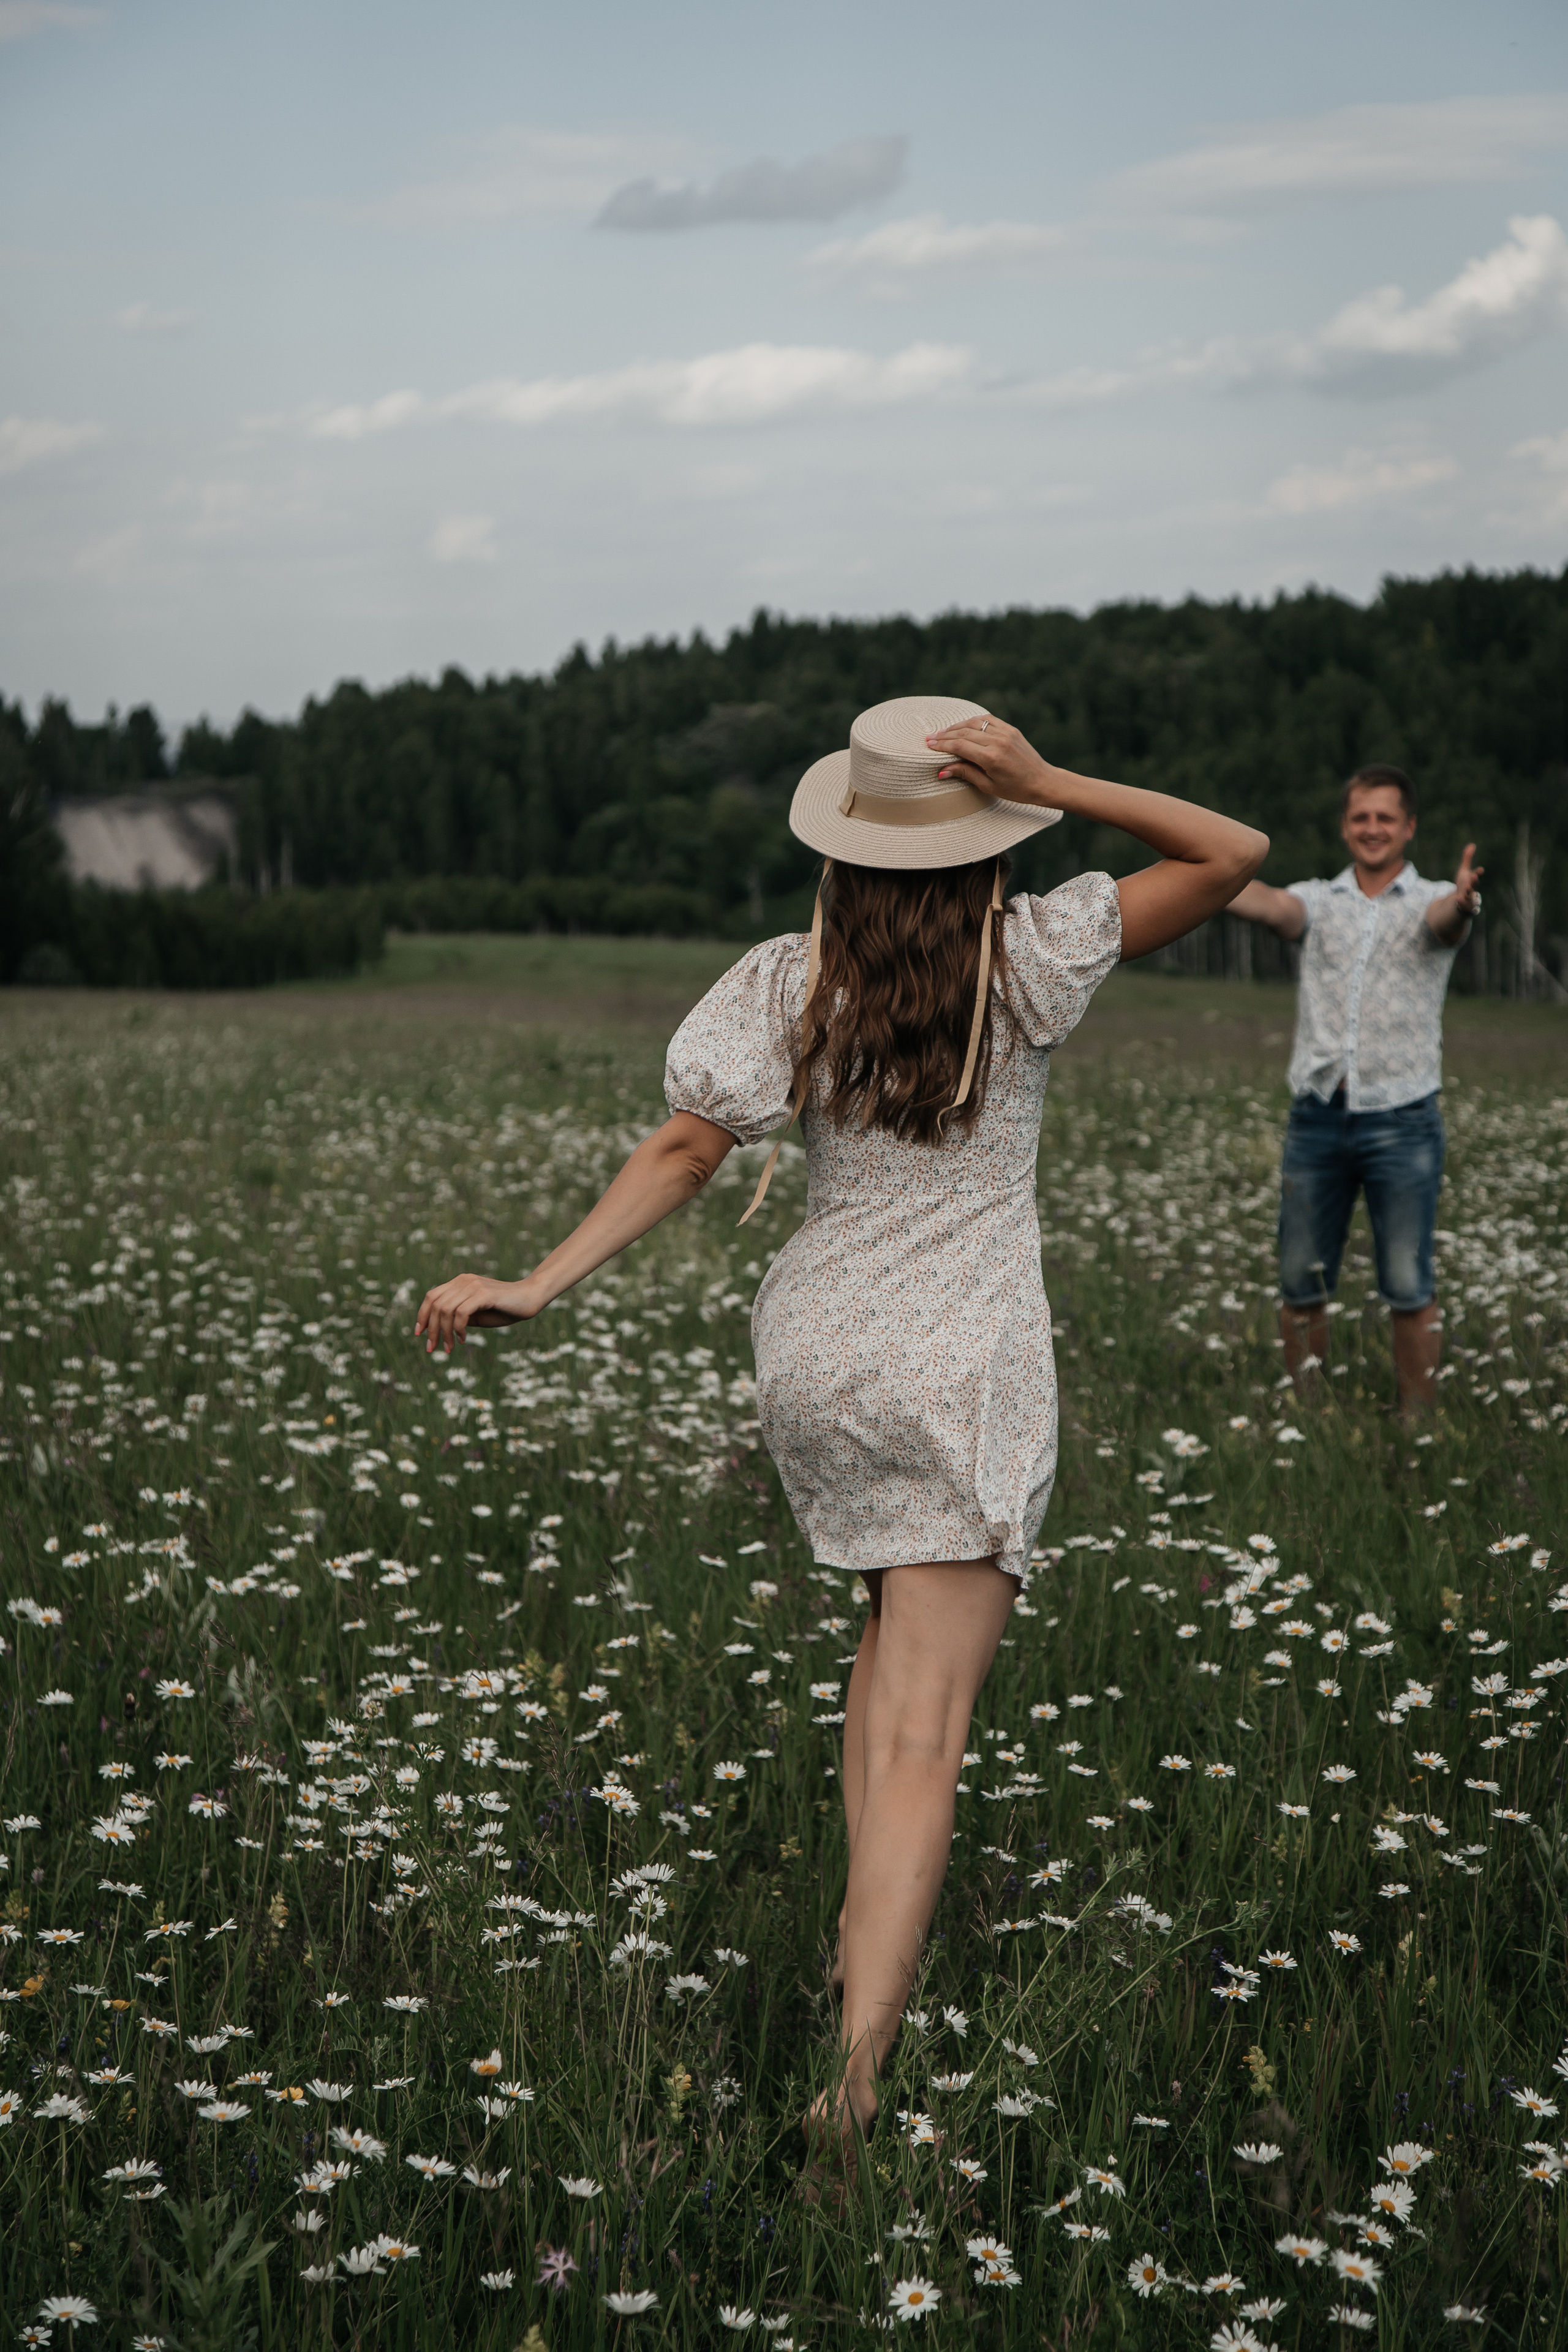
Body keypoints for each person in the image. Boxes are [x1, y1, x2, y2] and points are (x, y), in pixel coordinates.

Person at [413, 696, 1266, 2177]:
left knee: (881, 1676)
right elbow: (1231, 852)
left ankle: (845, 1960)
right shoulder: (1027, 960)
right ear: (984, 843)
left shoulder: (790, 979)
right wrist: (1052, 779)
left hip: (818, 1357)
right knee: (924, 1729)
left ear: (846, 846)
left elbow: (688, 1146)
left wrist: (538, 1282)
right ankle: (857, 2084)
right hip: (959, 1366)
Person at [1227, 763, 1482, 1418]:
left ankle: (1417, 1428)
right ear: (1345, 826)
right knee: (1300, 1279)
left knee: (1408, 1282)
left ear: (1409, 827)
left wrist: (1463, 902)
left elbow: (1446, 924)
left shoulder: (1433, 899)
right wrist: (1205, 874)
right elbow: (1271, 906)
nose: (1372, 828)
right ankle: (1310, 1418)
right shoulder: (1318, 900)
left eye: (1385, 818)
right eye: (1361, 817)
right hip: (1317, 1116)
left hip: (1404, 1118)